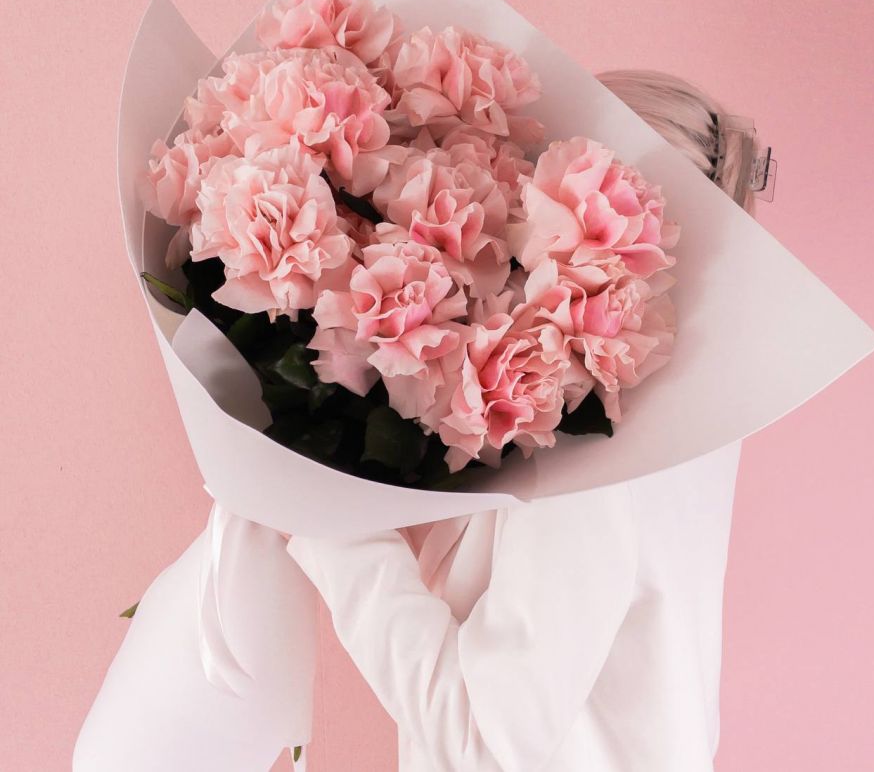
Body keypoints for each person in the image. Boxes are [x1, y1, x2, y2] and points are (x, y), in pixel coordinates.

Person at [74, 71, 767, 772]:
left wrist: (322, 509)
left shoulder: (608, 451)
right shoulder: (681, 409)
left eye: (544, 184)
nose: (510, 203)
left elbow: (482, 735)